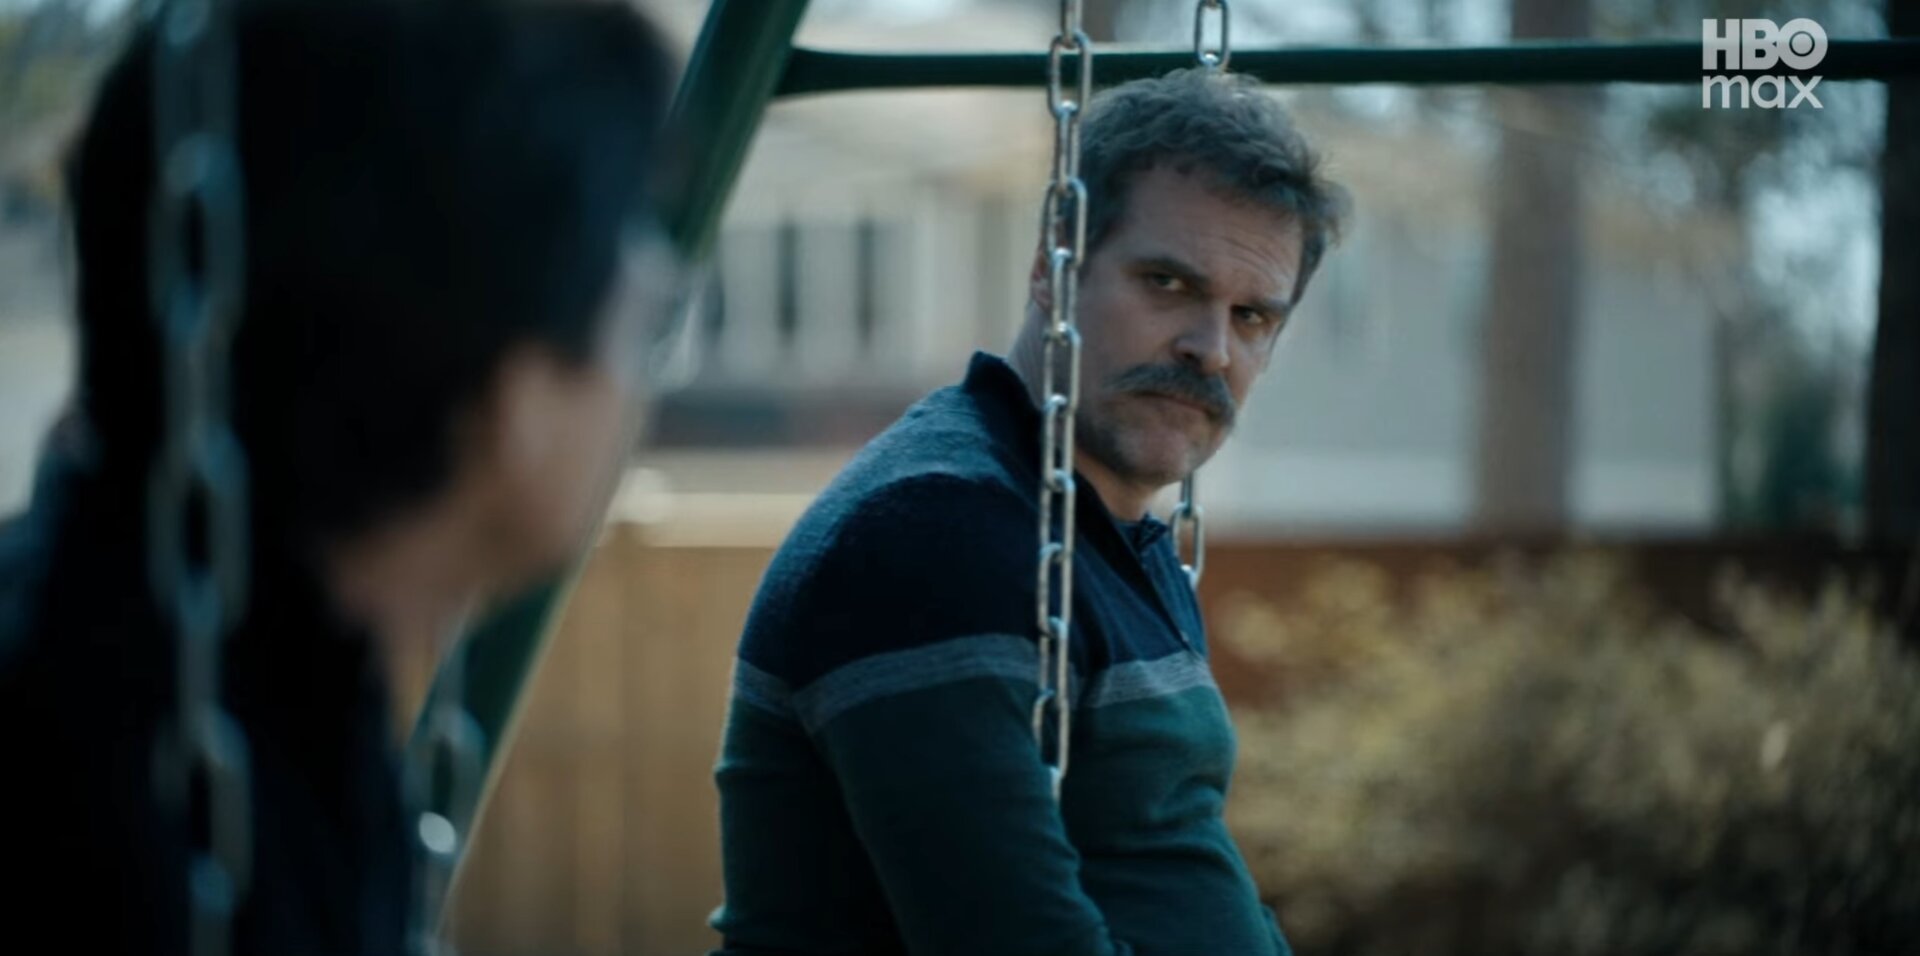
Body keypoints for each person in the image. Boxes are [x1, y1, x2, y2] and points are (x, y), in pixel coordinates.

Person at [0, 0, 683, 952]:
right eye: (641, 318)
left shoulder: (260, 685)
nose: (642, 384)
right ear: (514, 402)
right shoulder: (129, 800)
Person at [709, 68, 1347, 956]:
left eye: (1251, 317)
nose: (1210, 348)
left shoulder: (1104, 539)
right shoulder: (936, 533)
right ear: (1053, 268)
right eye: (1166, 283)